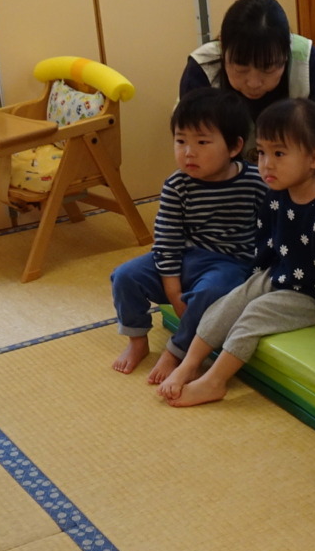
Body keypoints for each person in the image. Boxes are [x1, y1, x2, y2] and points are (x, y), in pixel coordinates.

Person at [158, 99, 315, 408]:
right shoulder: (276, 193)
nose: (266, 164)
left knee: (255, 314)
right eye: (262, 153)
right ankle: (189, 363)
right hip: (284, 274)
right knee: (231, 301)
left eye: (279, 154)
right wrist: (256, 279)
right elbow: (267, 242)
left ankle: (215, 381)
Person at [108, 87, 265, 382]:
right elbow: (166, 242)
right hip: (184, 258)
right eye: (181, 141)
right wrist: (173, 291)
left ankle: (177, 352)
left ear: (234, 147)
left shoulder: (256, 181)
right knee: (125, 276)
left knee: (211, 294)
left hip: (230, 264)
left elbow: (273, 227)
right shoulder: (177, 185)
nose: (189, 152)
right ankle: (137, 340)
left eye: (202, 142)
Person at [181, 0, 315, 182]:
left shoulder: (311, 64)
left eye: (267, 68)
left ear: (286, 53)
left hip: (295, 180)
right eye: (241, 68)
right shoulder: (201, 71)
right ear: (223, 50)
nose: (254, 82)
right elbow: (194, 146)